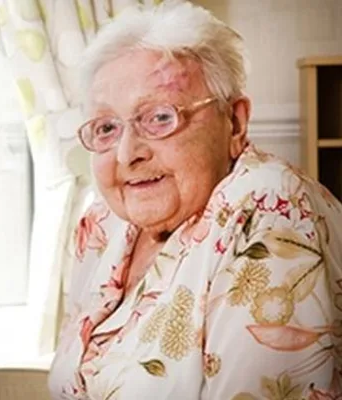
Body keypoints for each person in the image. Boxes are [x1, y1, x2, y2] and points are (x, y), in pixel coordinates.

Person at [48, 1, 342, 399]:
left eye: (159, 117)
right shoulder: (103, 223)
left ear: (234, 122)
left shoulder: (271, 211)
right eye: (106, 127)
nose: (127, 154)